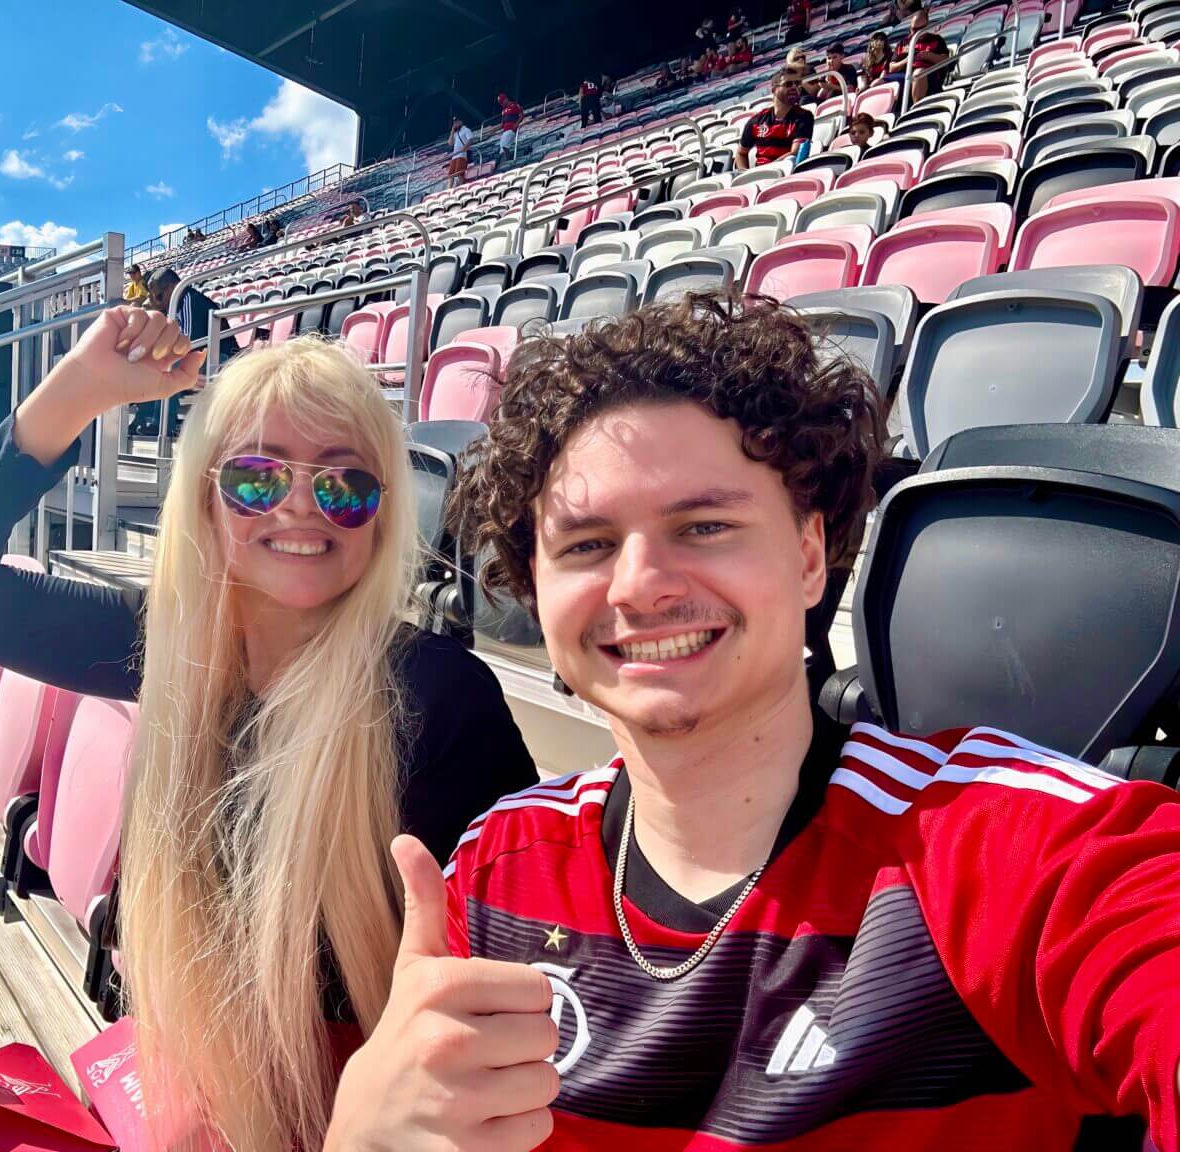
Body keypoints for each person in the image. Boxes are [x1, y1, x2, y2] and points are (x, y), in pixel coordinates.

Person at [328, 293, 1180, 1150]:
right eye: (586, 545)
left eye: (703, 526)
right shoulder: (496, 869)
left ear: (810, 556)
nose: (638, 585)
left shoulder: (1001, 842)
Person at [0, 318, 538, 1152]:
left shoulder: (439, 697)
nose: (304, 506)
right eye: (259, 479)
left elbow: (526, 969)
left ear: (381, 517)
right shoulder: (171, 650)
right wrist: (78, 392)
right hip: (208, 1105)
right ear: (205, 497)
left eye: (346, 483)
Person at [127, 267, 237, 440]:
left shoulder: (190, 301)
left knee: (167, 364)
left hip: (220, 359)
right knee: (151, 362)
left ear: (172, 288)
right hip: (202, 356)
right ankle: (142, 419)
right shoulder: (176, 306)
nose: (156, 300)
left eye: (158, 295)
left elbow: (187, 343)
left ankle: (161, 425)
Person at [735, 70, 814, 169]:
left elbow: (795, 155)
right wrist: (746, 174)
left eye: (797, 84)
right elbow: (741, 153)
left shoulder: (804, 117)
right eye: (788, 84)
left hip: (786, 174)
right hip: (759, 177)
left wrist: (765, 170)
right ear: (774, 90)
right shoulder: (756, 121)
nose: (794, 87)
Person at [889, 7, 949, 104]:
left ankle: (916, 110)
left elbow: (945, 60)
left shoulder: (936, 40)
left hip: (928, 74)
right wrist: (907, 60)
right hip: (905, 73)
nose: (914, 33)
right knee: (878, 83)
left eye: (918, 29)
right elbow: (891, 67)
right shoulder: (903, 43)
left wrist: (928, 56)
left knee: (918, 74)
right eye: (913, 29)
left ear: (926, 26)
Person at [448, 115, 474, 187]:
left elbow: (470, 140)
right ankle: (449, 190)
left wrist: (464, 148)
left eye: (457, 122)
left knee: (459, 173)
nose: (455, 124)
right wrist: (452, 132)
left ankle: (461, 187)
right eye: (454, 122)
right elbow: (450, 143)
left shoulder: (466, 130)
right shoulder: (455, 133)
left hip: (462, 154)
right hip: (455, 155)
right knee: (451, 175)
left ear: (461, 122)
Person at [497, 92, 523, 162]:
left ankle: (506, 162)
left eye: (502, 102)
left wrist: (516, 124)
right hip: (505, 131)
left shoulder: (514, 105)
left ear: (506, 99)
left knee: (504, 147)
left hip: (511, 129)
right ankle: (505, 162)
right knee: (502, 148)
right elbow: (502, 124)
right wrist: (492, 130)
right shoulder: (503, 111)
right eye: (500, 103)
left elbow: (521, 116)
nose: (501, 104)